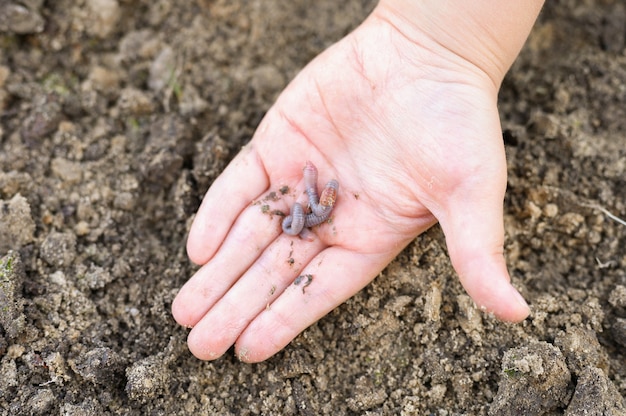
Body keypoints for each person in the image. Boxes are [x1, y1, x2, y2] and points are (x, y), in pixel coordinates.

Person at [172, 0, 545, 362]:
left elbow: (301, 218)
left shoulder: (314, 207)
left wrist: (443, 48)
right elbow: (298, 219)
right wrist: (435, 37)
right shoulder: (308, 208)